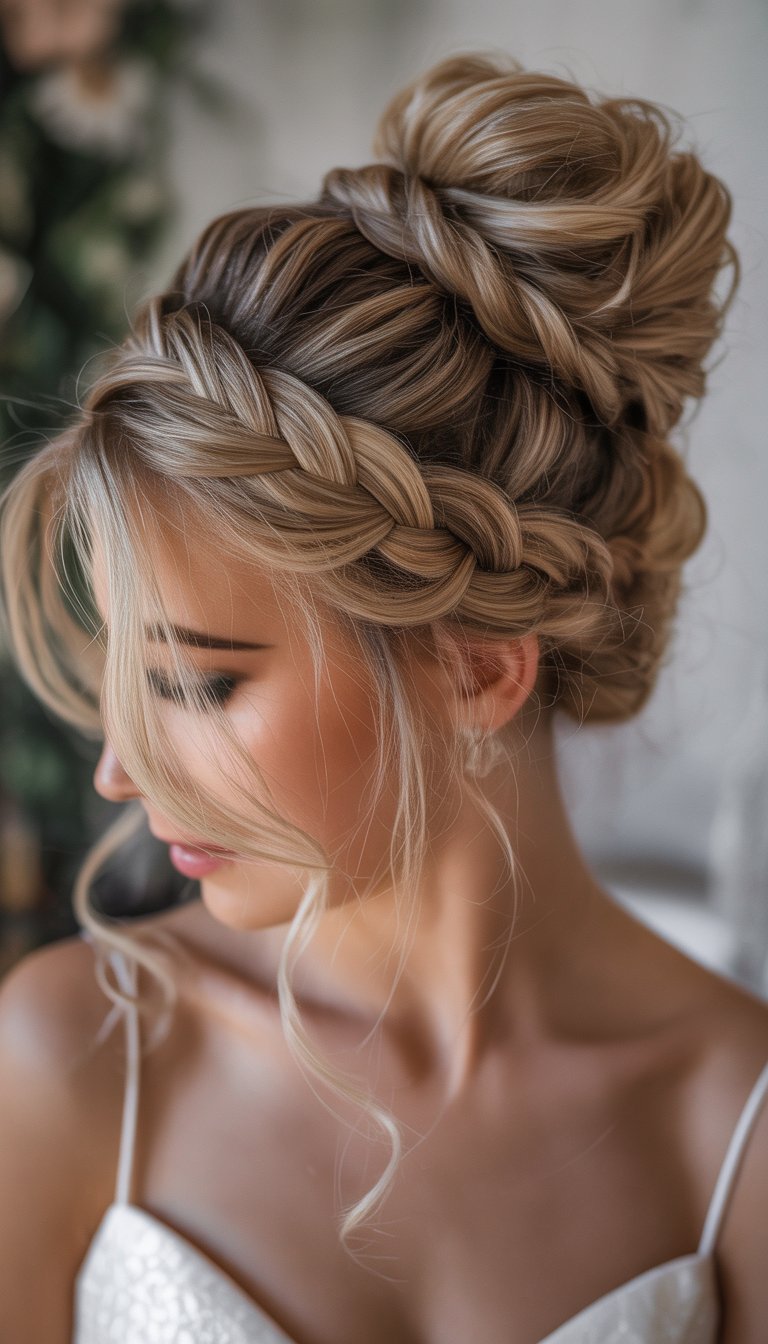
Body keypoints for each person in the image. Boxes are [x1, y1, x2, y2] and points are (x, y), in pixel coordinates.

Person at [0, 50, 766, 1344]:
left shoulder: (732, 1133)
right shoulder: (66, 1062)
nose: (118, 778)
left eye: (198, 682)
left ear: (473, 665)